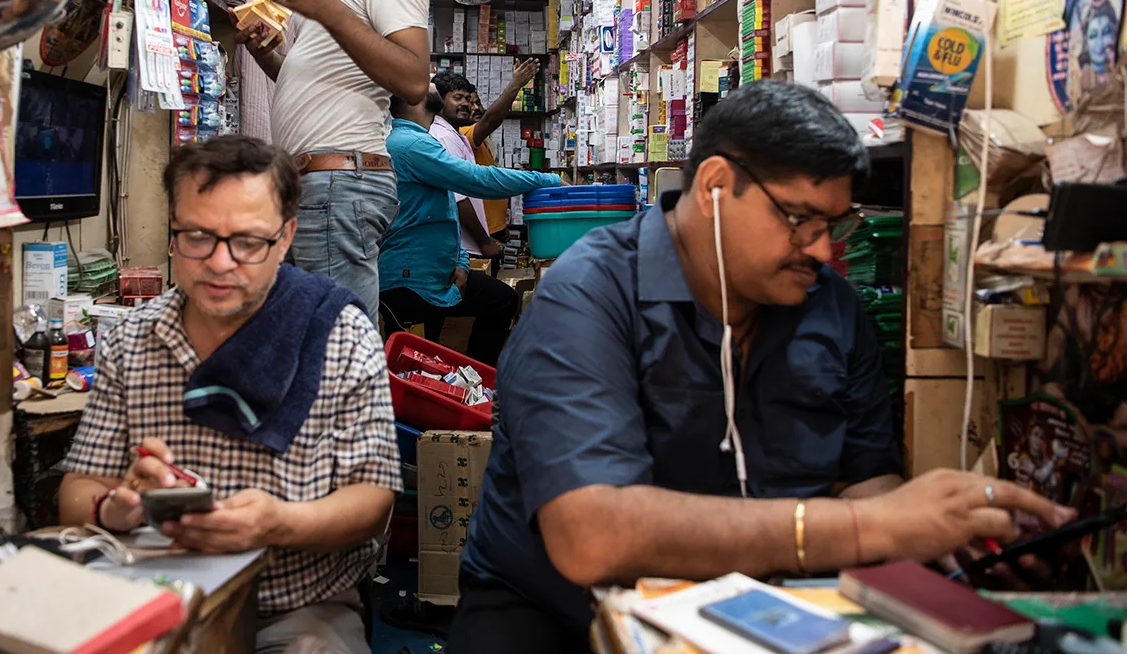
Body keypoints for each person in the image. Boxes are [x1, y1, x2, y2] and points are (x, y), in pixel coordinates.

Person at [450, 80, 1073, 652]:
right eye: (800, 219)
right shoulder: (589, 295)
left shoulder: (829, 307)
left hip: (761, 603)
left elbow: (867, 481)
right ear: (716, 187)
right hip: (557, 612)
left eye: (836, 224)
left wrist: (939, 534)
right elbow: (592, 537)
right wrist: (868, 526)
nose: (824, 249)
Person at [57, 136, 402, 654]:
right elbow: (78, 490)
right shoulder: (134, 339)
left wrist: (278, 523)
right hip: (156, 594)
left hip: (293, 604)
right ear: (172, 231)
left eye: (247, 242)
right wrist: (117, 507)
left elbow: (373, 500)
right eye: (197, 236)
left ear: (285, 238)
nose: (219, 263)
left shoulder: (339, 334)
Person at [235, 0, 430, 318]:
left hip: (341, 185)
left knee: (334, 354)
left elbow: (412, 79)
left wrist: (327, 9)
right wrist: (267, 55)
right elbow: (318, 84)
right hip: (310, 183)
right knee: (307, 343)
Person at [379, 83, 561, 366]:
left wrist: (461, 261)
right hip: (410, 280)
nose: (432, 81)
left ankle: (475, 383)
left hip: (436, 275)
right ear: (409, 95)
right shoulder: (409, 144)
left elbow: (445, 209)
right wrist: (548, 180)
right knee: (414, 366)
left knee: (500, 299)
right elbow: (476, 180)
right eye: (424, 80)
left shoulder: (419, 139)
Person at [430, 63, 539, 274]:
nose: (471, 106)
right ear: (440, 102)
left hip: (483, 236)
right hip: (470, 243)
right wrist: (515, 85)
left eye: (471, 101)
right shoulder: (450, 136)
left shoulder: (459, 136)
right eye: (458, 98)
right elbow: (459, 198)